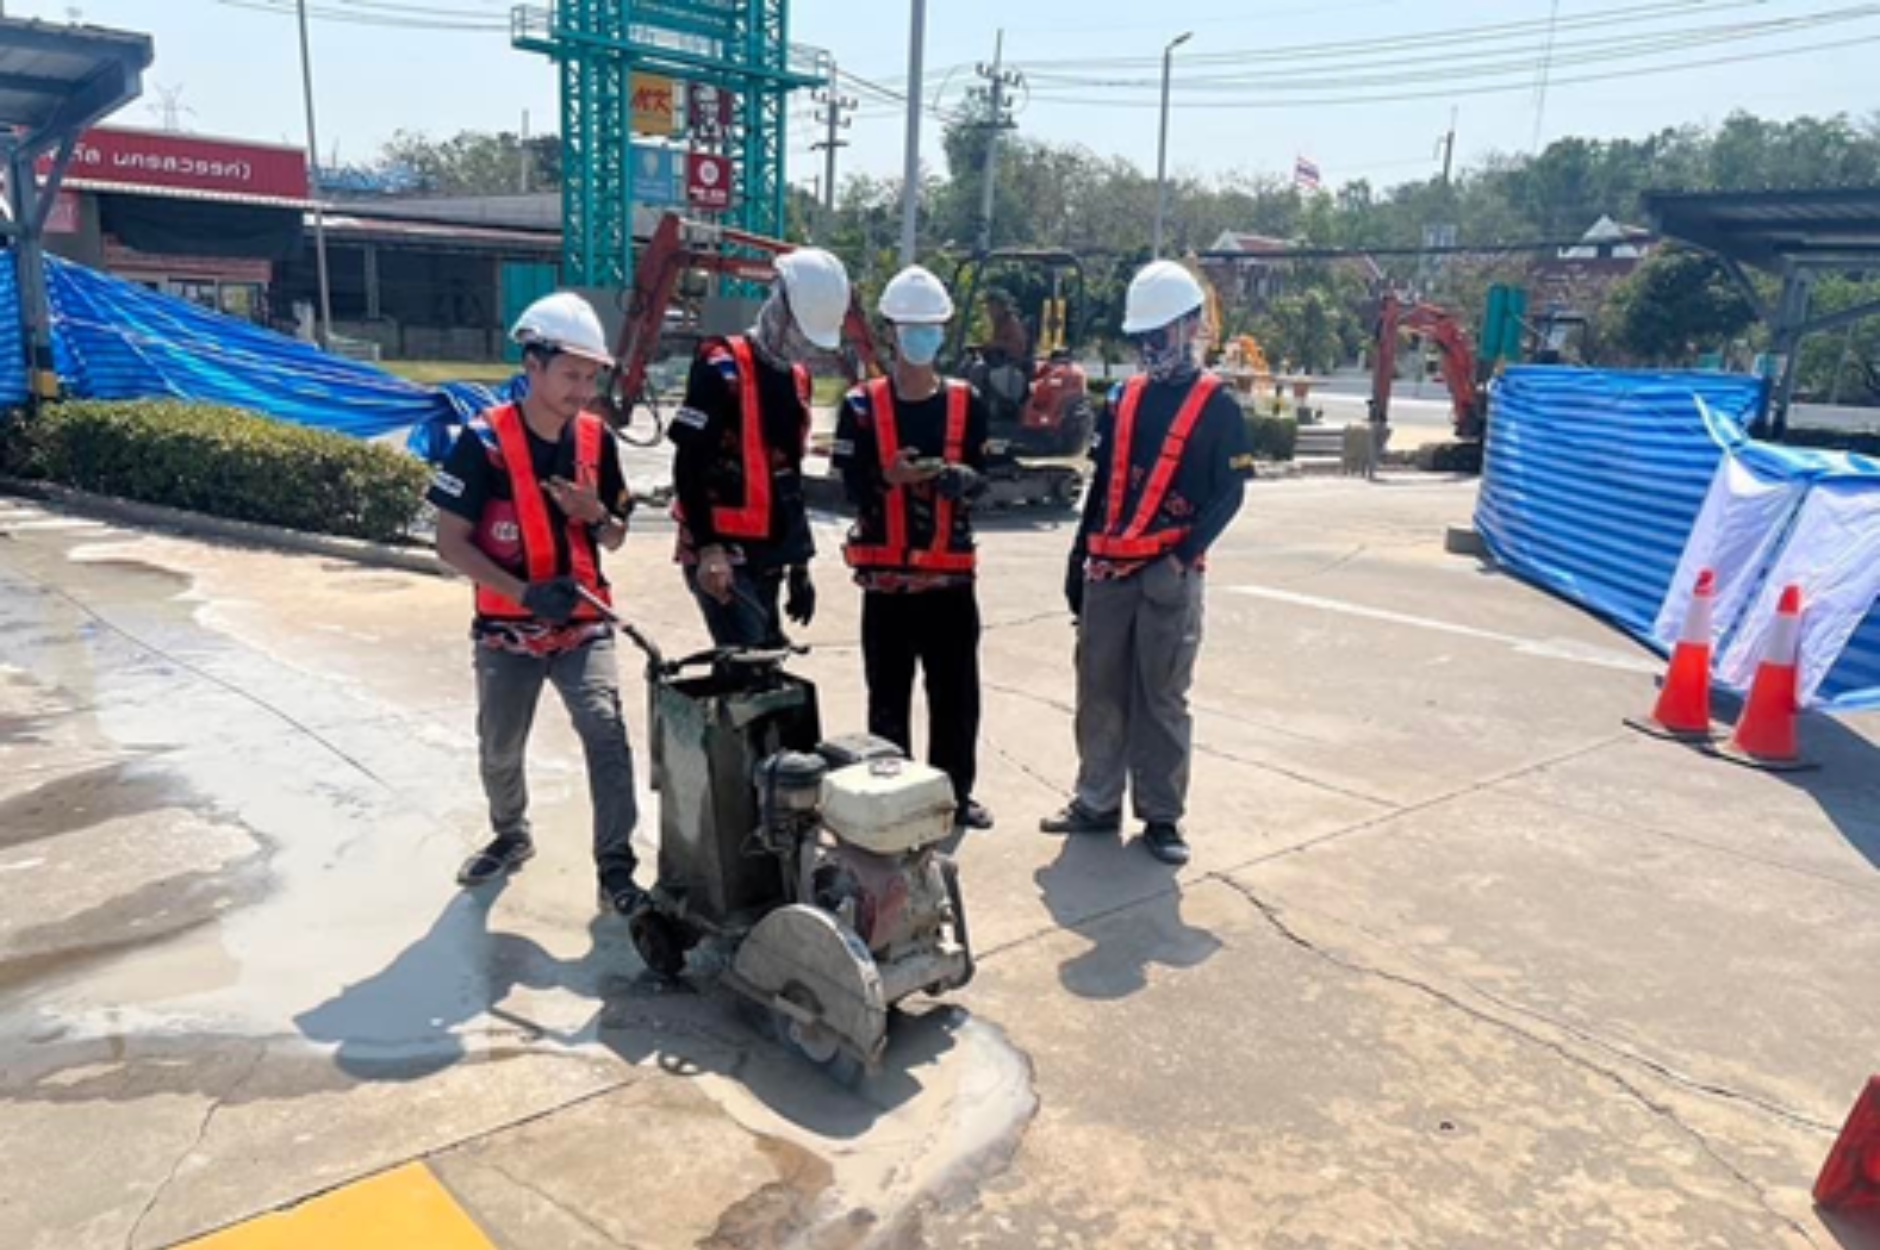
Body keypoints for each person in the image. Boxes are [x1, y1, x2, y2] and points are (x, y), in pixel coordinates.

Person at [426, 291, 645, 912]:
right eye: (571, 375)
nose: (583, 390)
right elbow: (449, 543)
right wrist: (525, 594)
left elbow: (616, 537)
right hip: (508, 629)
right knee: (500, 745)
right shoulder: (482, 443)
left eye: (591, 377)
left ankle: (616, 866)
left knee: (606, 734)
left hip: (583, 622)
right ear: (533, 366)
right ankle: (511, 833)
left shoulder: (597, 442)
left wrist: (595, 513)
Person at [1040, 261, 1255, 866]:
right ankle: (1096, 800)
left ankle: (1161, 816)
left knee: (1161, 697)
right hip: (1108, 573)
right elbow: (1104, 484)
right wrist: (1078, 556)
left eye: (1158, 335)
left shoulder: (1217, 405)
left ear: (1190, 327)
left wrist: (1181, 559)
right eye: (1142, 338)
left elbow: (1230, 493)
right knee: (1099, 689)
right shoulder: (1124, 399)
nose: (1149, 348)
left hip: (1167, 576)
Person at [834, 265, 994, 831]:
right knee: (888, 698)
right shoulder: (861, 406)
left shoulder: (967, 402)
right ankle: (894, 798)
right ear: (890, 333)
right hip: (888, 587)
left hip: (950, 585)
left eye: (932, 329)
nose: (923, 339)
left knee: (956, 697)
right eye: (912, 329)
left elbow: (985, 476)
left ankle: (955, 796)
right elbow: (847, 488)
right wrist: (888, 479)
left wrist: (964, 480)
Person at [668, 248, 852, 648]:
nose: (804, 348)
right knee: (747, 662)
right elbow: (688, 464)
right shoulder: (722, 367)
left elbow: (789, 477)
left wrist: (799, 566)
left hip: (770, 553)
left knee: (763, 660)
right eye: (800, 333)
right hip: (721, 550)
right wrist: (709, 549)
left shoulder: (797, 379)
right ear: (777, 305)